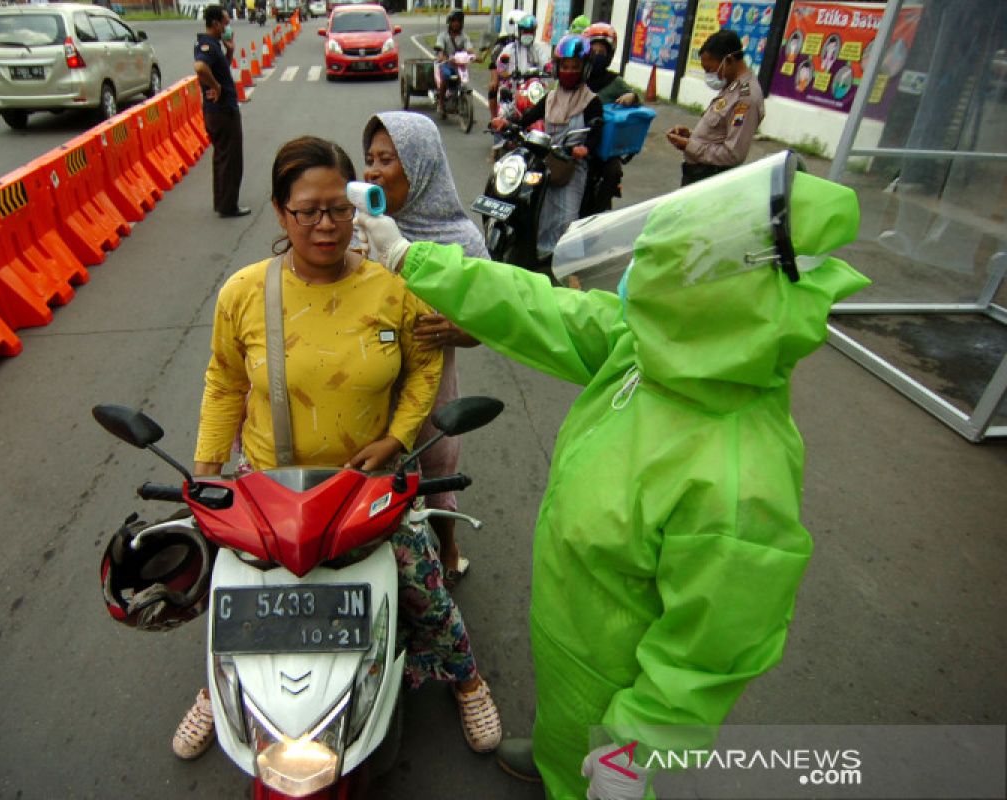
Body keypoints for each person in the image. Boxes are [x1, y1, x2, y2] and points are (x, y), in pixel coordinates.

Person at [355, 156, 871, 800]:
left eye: (663, 275)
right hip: (572, 638)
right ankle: (554, 758)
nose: (635, 288)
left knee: (595, 771)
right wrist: (414, 261)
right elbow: (536, 308)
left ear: (715, 301)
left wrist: (638, 754)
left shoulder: (742, 476)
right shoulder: (658, 349)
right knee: (566, 737)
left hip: (619, 679)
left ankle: (584, 775)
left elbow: (707, 657)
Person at [171, 136, 502, 761]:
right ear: (279, 212)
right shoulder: (242, 292)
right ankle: (219, 693)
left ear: (358, 208)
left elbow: (423, 367)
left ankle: (469, 681)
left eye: (339, 209)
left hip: (367, 490)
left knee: (424, 589)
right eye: (307, 211)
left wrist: (397, 439)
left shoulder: (391, 287)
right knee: (236, 597)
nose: (326, 225)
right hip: (270, 489)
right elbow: (225, 382)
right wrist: (208, 470)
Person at [362, 111, 485, 585]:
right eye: (369, 158)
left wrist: (456, 330)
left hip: (433, 387)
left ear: (421, 165)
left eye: (387, 159)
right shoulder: (356, 230)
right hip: (368, 385)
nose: (371, 170)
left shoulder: (463, 241)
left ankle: (448, 547)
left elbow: (489, 324)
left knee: (435, 471)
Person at [491, 34, 603, 262]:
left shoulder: (591, 100)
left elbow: (596, 129)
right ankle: (537, 255)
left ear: (584, 69)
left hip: (572, 165)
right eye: (565, 66)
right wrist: (508, 124)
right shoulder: (550, 97)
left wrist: (585, 149)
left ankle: (569, 266)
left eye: (575, 67)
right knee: (535, 206)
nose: (569, 71)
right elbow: (528, 117)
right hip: (547, 161)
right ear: (558, 68)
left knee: (567, 216)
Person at [666, 29, 765, 186]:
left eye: (710, 70)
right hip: (698, 174)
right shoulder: (731, 86)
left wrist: (689, 145)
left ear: (729, 60)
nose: (710, 76)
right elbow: (720, 132)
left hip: (710, 179)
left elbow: (733, 154)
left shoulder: (745, 98)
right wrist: (690, 135)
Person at [195, 6, 250, 217]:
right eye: (225, 23)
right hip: (222, 111)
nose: (228, 28)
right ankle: (228, 206)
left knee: (222, 157)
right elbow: (200, 67)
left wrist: (230, 50)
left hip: (216, 111)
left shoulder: (212, 44)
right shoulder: (207, 45)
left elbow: (220, 69)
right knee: (231, 159)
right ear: (215, 23)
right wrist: (216, 87)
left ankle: (222, 201)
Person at [582, 22, 640, 216]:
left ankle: (599, 214)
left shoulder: (615, 82)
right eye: (593, 50)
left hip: (604, 146)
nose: (597, 55)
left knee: (613, 171)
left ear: (609, 54)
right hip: (576, 139)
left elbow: (635, 98)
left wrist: (632, 98)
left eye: (602, 51)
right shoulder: (577, 76)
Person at [489, 13, 544, 122]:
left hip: (533, 90)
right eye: (525, 31)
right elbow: (500, 68)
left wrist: (549, 69)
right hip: (513, 89)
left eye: (531, 31)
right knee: (503, 116)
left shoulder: (539, 50)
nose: (528, 34)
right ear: (519, 32)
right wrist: (508, 74)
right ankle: (496, 124)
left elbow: (547, 64)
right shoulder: (509, 49)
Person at [433, 10, 473, 118]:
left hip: (459, 65)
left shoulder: (464, 37)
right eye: (454, 21)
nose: (456, 23)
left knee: (463, 78)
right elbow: (440, 50)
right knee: (446, 75)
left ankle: (460, 101)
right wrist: (442, 56)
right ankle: (441, 103)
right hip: (445, 63)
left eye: (459, 21)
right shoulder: (443, 36)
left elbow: (469, 49)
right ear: (449, 22)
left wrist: (474, 56)